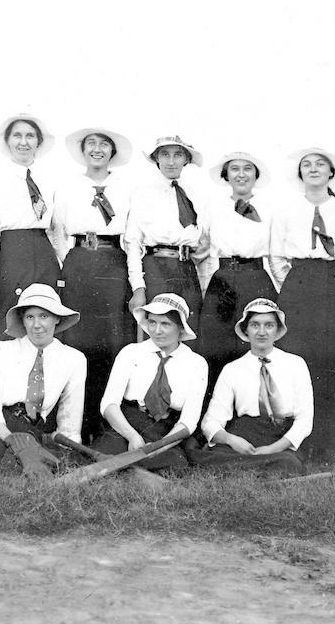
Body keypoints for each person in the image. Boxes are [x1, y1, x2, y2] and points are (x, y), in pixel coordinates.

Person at [269, 147, 335, 463]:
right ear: (299, 173)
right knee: (297, 359)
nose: (313, 169)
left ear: (331, 173)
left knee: (333, 361)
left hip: (332, 284)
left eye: (320, 164)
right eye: (306, 165)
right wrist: (297, 286)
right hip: (298, 284)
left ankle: (331, 442)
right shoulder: (286, 212)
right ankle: (297, 440)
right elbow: (277, 257)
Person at [0, 284, 86, 479]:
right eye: (30, 317)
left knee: (48, 464)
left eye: (44, 316)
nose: (37, 325)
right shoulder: (2, 350)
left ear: (57, 318)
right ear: (22, 320)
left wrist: (71, 450)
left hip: (29, 428)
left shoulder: (74, 359)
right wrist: (12, 440)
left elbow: (70, 417)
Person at [52, 127, 135, 441]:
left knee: (112, 341)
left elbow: (133, 231)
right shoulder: (70, 185)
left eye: (104, 145)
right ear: (83, 150)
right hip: (79, 264)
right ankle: (77, 425)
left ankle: (107, 426)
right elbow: (57, 231)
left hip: (113, 263)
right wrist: (72, 262)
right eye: (91, 145)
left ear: (112, 152)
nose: (97, 150)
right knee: (77, 341)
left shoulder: (126, 187)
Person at [192, 298, 312, 475]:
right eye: (255, 325)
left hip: (280, 436)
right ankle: (256, 468)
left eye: (269, 325)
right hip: (245, 434)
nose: (261, 332)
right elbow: (211, 421)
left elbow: (305, 420)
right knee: (209, 458)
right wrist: (232, 440)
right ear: (245, 330)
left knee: (288, 462)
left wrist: (273, 449)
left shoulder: (296, 364)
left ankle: (246, 468)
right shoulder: (232, 369)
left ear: (278, 329)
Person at [94, 293, 207, 471]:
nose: (156, 330)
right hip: (128, 423)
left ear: (180, 327)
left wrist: (160, 446)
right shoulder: (131, 352)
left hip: (164, 431)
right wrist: (132, 436)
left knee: (174, 466)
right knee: (104, 457)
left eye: (165, 324)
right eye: (152, 322)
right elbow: (109, 404)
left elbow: (189, 421)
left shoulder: (197, 363)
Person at [199, 151, 279, 392]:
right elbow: (203, 250)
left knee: (256, 343)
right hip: (222, 281)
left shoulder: (270, 209)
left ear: (256, 175)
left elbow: (276, 255)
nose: (241, 174)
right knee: (216, 346)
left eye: (247, 169)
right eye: (235, 169)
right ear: (226, 175)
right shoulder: (212, 208)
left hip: (256, 278)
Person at [0, 114, 61, 346]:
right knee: (11, 317)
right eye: (17, 135)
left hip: (43, 252)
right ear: (8, 141)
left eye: (30, 136)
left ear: (38, 142)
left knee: (46, 311)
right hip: (11, 252)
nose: (23, 142)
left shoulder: (50, 179)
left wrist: (63, 263)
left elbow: (57, 228)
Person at [125, 135, 210, 333]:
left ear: (186, 159)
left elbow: (204, 244)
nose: (171, 161)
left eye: (177, 155)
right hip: (156, 269)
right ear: (156, 158)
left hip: (187, 271)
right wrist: (138, 288)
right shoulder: (142, 193)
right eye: (165, 154)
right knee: (157, 329)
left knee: (188, 330)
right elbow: (133, 243)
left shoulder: (195, 194)